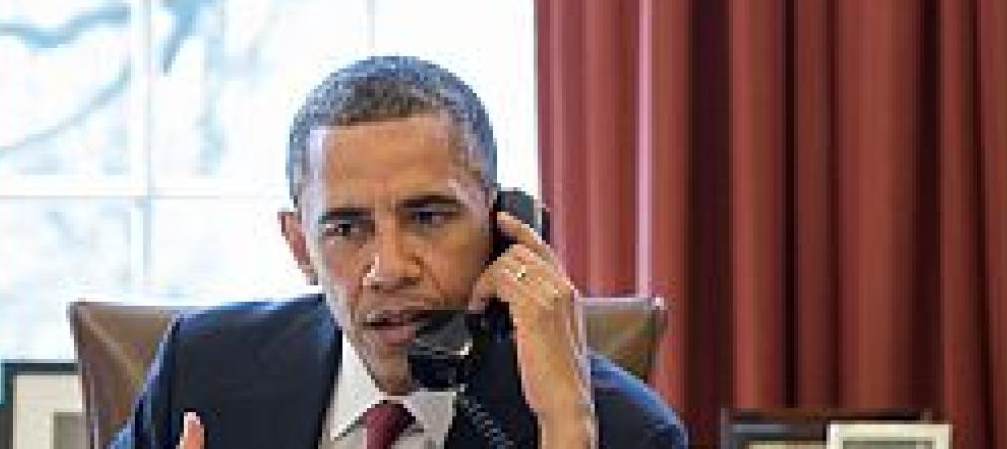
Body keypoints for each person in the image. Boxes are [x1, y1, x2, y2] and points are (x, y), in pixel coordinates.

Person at [113, 55, 688, 448]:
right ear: (300, 245)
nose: (388, 270)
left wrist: (565, 430)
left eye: (427, 218)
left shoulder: (622, 430)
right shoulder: (203, 373)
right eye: (347, 228)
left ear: (502, 227)